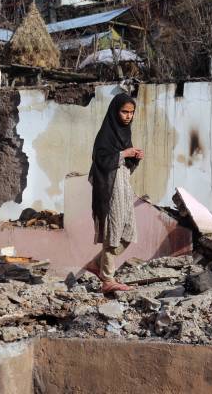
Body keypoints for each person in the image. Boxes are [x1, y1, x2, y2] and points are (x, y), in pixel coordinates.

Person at [85, 92, 144, 293]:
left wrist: (134, 158)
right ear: (114, 111)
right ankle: (107, 279)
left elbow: (126, 167)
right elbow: (100, 160)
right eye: (124, 111)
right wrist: (123, 154)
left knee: (128, 232)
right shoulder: (105, 134)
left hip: (124, 186)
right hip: (109, 190)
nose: (128, 116)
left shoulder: (125, 133)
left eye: (131, 112)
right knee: (114, 231)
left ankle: (97, 264)